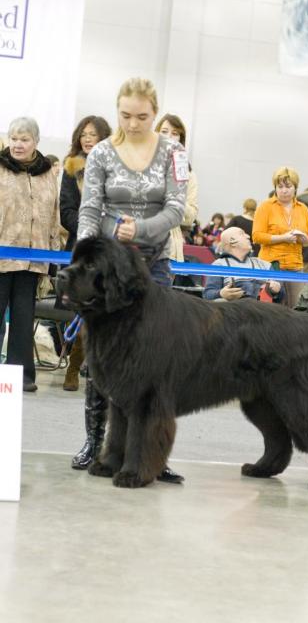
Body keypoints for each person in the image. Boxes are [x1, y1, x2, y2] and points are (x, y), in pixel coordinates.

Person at [74, 76, 188, 484]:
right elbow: (90, 208)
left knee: (155, 368)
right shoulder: (102, 152)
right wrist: (85, 255)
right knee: (102, 359)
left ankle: (152, 453)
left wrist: (138, 230)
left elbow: (176, 210)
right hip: (106, 273)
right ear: (117, 110)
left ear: (154, 112)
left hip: (154, 266)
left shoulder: (174, 152)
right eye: (125, 115)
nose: (134, 123)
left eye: (142, 116)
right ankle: (96, 444)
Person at [0, 117, 60, 392]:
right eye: (14, 138)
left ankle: (22, 375)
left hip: (33, 257)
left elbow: (54, 213)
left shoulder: (47, 172)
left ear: (36, 142)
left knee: (24, 318)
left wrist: (53, 256)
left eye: (24, 139)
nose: (17, 144)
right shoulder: (0, 167)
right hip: (2, 256)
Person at [59, 115, 112, 391]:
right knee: (81, 308)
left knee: (105, 310)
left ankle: (98, 371)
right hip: (80, 248)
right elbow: (66, 210)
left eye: (93, 134)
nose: (88, 139)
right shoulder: (70, 169)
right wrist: (88, 229)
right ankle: (73, 365)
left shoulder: (115, 166)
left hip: (108, 248)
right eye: (84, 134)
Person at [252, 166, 308, 307]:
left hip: (296, 266)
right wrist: (283, 238)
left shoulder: (303, 209)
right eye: (280, 186)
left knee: (297, 308)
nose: (284, 190)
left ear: (295, 188)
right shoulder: (265, 207)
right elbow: (256, 236)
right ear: (275, 187)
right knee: (272, 308)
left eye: (288, 186)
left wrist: (304, 240)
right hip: (271, 265)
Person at [154, 113, 198, 262]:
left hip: (169, 250)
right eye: (164, 132)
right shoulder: (141, 163)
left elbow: (190, 217)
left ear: (181, 139)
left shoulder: (188, 174)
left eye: (175, 133)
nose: (169, 137)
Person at [203, 227, 282, 301]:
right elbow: (207, 295)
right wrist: (221, 294)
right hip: (235, 312)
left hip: (264, 312)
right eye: (242, 234)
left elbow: (282, 296)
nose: (248, 236)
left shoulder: (265, 265)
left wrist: (276, 291)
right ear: (232, 241)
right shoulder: (219, 265)